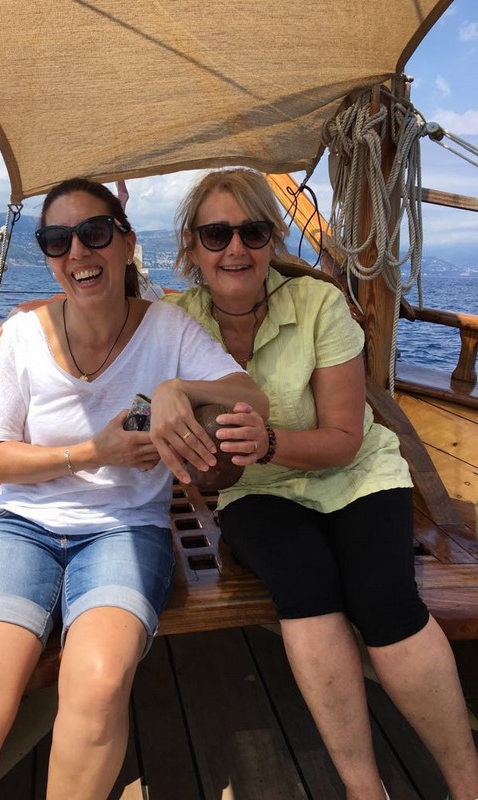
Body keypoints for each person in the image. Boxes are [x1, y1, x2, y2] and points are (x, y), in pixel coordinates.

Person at [0, 176, 267, 800]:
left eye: (95, 232)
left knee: (100, 686)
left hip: (126, 529)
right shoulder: (23, 338)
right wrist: (92, 453)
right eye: (58, 240)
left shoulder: (168, 330)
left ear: (127, 243)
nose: (78, 250)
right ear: (49, 257)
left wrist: (178, 388)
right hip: (21, 528)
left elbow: (250, 396)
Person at [164, 167, 478, 800]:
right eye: (216, 234)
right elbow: (90, 308)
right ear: (192, 247)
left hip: (355, 475)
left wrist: (267, 442)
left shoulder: (319, 305)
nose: (235, 248)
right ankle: (366, 791)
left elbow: (343, 437)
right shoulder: (173, 321)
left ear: (272, 241)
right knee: (304, 582)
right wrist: (27, 319)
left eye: (253, 232)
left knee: (384, 597)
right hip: (260, 491)